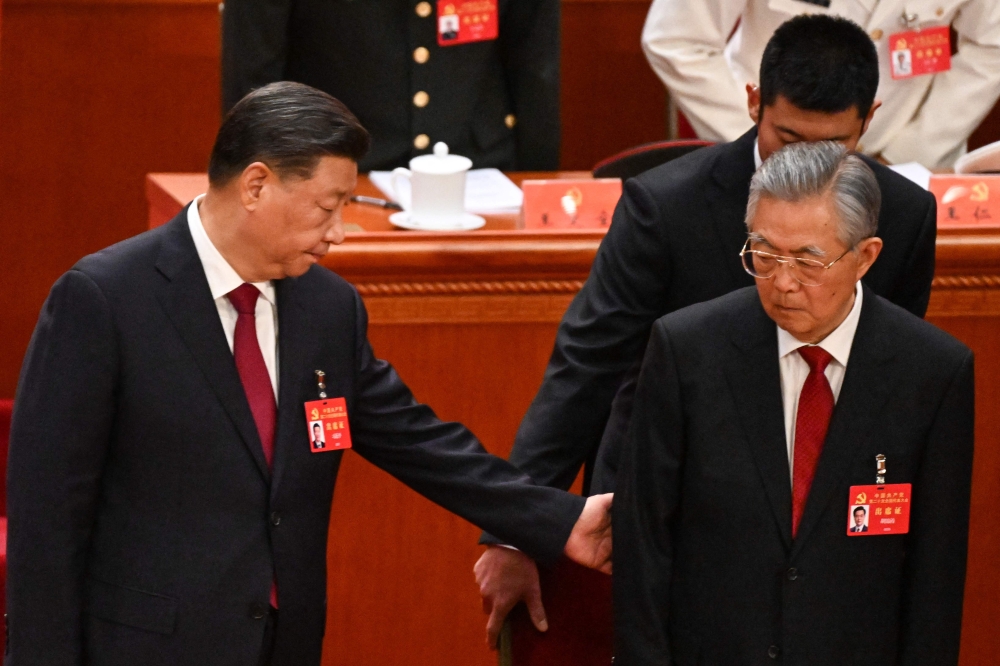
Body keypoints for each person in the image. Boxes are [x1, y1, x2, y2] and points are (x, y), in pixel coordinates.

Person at [5, 82, 611, 666]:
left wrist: (559, 520)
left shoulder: (327, 308)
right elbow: (47, 517)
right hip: (147, 644)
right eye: (329, 206)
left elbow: (420, 442)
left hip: (284, 641)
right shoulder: (105, 300)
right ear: (257, 185)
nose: (339, 233)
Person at [474, 14, 937, 647]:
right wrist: (516, 529)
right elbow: (585, 371)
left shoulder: (906, 215)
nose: (804, 167)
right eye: (788, 138)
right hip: (670, 508)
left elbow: (892, 383)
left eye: (831, 147)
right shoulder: (665, 207)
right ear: (753, 102)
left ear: (868, 120)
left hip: (816, 517)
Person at [613, 141, 973, 665]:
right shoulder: (687, 351)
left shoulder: (933, 372)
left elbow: (935, 575)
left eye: (808, 261)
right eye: (764, 253)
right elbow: (643, 544)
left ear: (866, 257)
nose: (782, 282)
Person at [641, 0, 1000, 169]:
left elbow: (993, 41)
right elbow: (675, 39)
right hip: (767, 164)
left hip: (907, 161)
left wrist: (908, 150)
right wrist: (764, 139)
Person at [221, 0, 560, 172]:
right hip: (339, 175)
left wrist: (536, 183)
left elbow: (535, 65)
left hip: (481, 173)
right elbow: (255, 76)